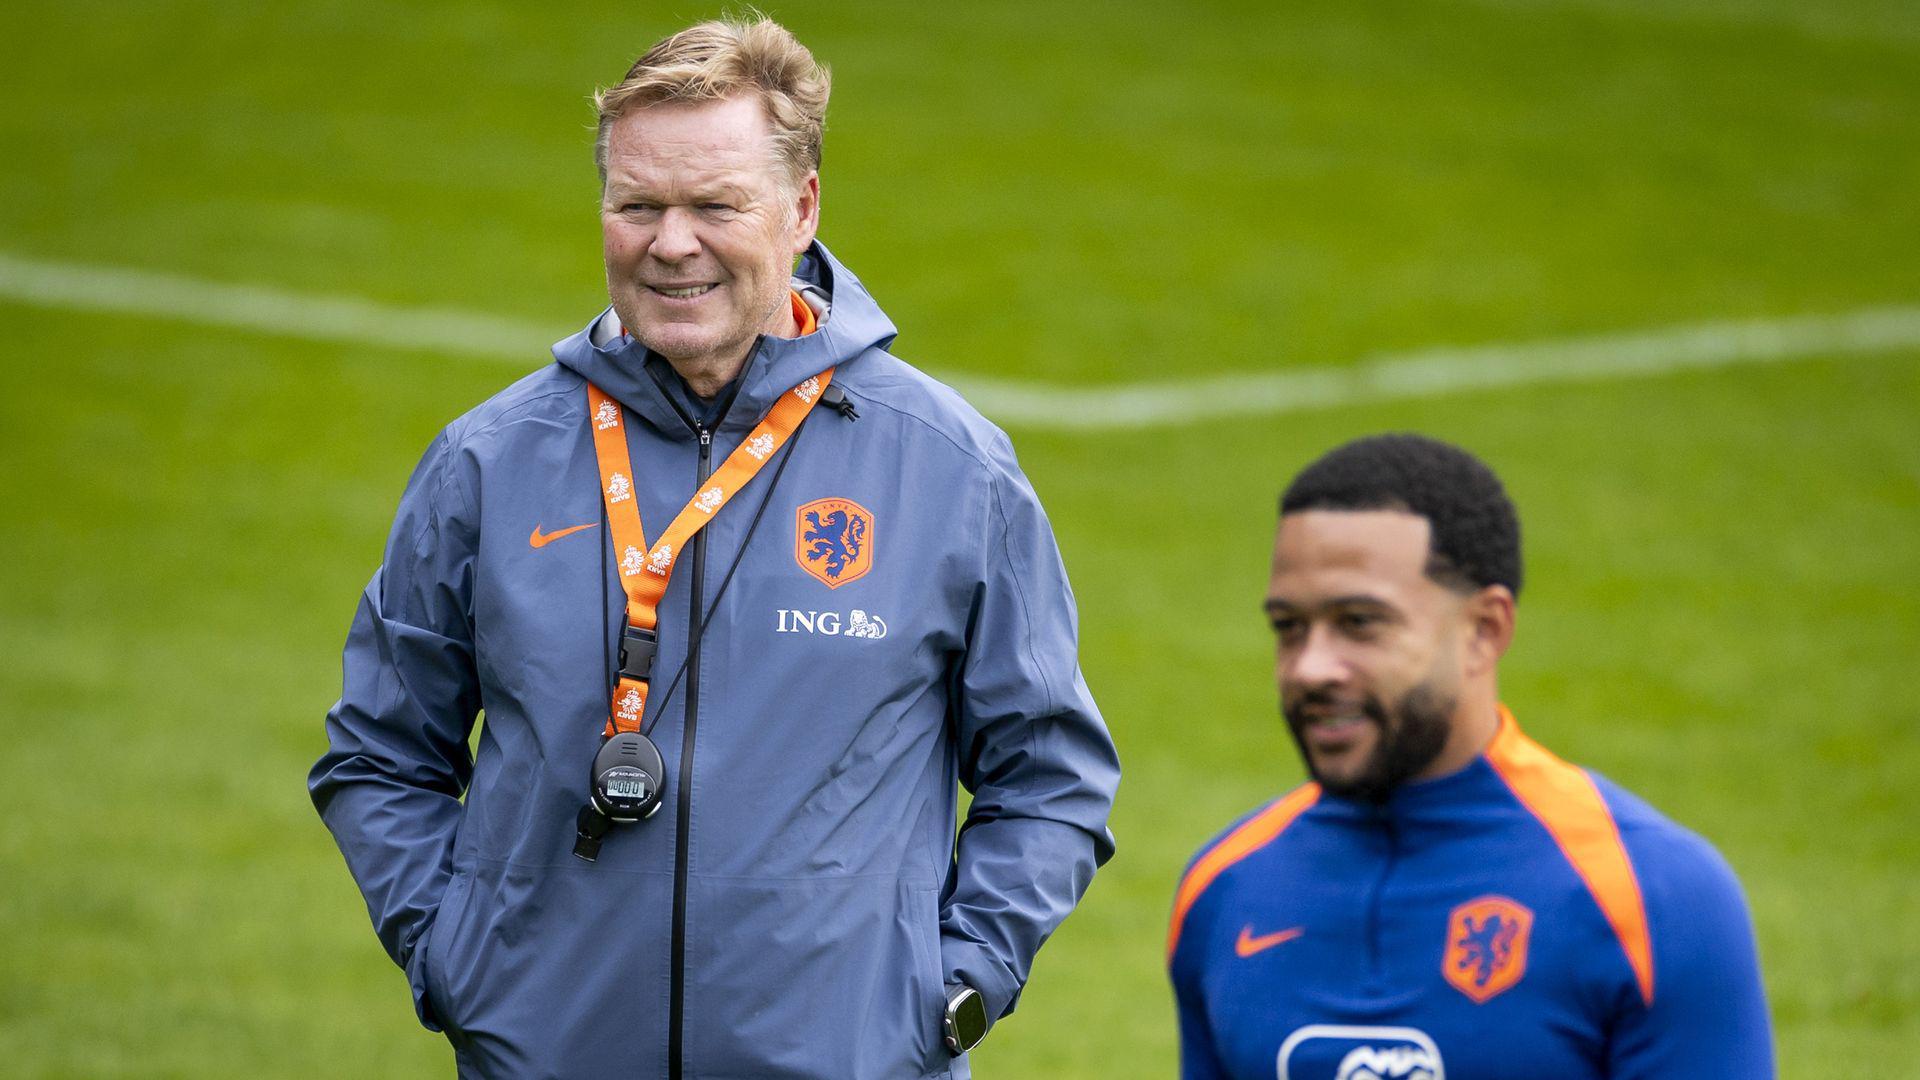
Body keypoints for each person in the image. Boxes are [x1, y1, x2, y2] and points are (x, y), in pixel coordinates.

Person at [309, 18, 1119, 1079]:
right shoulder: (488, 463)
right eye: (637, 205)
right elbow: (380, 753)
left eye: (715, 206)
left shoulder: (950, 468)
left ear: (803, 207)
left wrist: (953, 990)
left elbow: (1049, 773)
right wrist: (457, 963)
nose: (671, 243)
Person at [1166, 434, 1771, 1079]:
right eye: (1288, 628)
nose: (1310, 668)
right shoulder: (1225, 890)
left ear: (1485, 631)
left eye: (1359, 622)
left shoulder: (1650, 897)